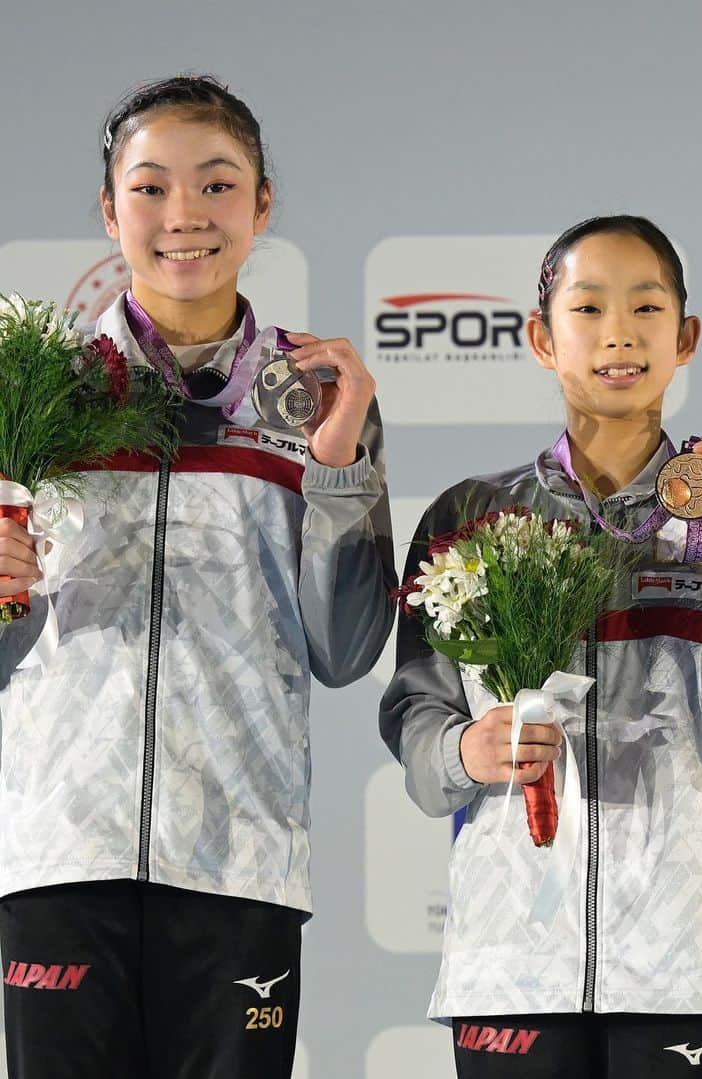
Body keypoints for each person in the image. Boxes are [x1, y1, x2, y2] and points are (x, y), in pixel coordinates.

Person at [0, 75, 395, 1078]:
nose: (185, 216)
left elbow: (346, 649)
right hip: (63, 850)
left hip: (241, 858)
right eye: (151, 188)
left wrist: (341, 464)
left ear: (264, 205)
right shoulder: (30, 392)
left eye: (218, 186)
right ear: (108, 210)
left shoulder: (318, 394)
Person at [380, 214, 702, 1079]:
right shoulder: (468, 516)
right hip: (508, 965)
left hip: (679, 967)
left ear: (684, 337)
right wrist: (465, 748)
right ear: (542, 338)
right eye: (588, 307)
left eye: (646, 307)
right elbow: (415, 719)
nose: (619, 332)